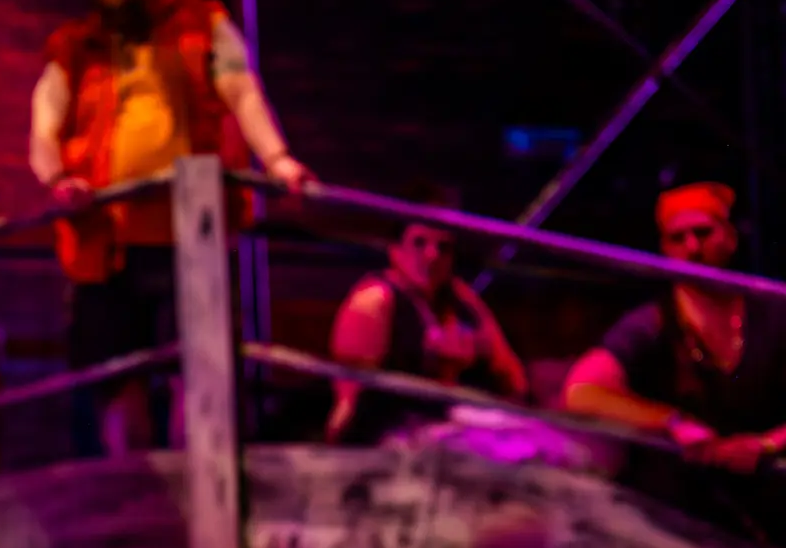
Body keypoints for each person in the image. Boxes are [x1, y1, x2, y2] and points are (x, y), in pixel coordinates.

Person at [29, 0, 310, 456]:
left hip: (192, 235)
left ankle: (197, 486)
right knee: (119, 381)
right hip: (107, 244)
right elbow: (44, 122)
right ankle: (135, 494)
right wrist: (57, 178)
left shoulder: (204, 23)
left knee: (197, 374)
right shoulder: (75, 46)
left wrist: (278, 160)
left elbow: (241, 90)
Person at [562, 182, 786, 472]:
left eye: (703, 233)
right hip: (688, 484)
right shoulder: (653, 322)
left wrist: (766, 444)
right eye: (678, 238)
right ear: (665, 249)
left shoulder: (773, 311)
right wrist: (671, 421)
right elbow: (581, 391)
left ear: (730, 237)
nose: (692, 248)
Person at [327, 188, 527, 445]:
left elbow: (512, 378)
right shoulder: (374, 302)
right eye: (419, 243)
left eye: (443, 247)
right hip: (396, 439)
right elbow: (351, 406)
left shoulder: (463, 301)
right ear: (395, 249)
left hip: (461, 427)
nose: (432, 256)